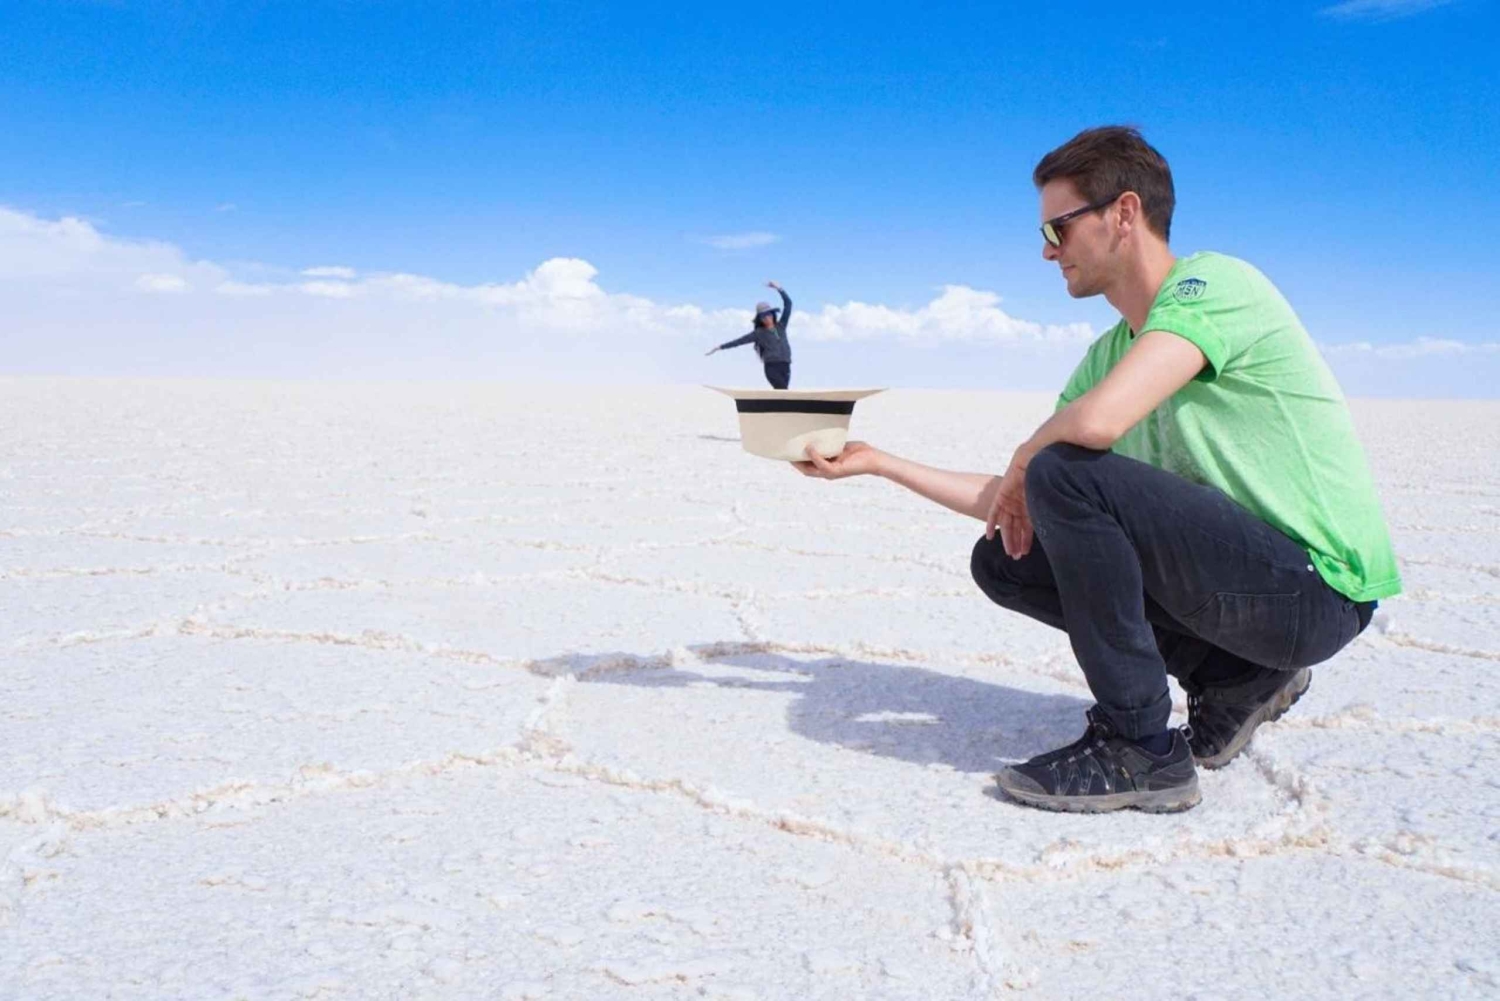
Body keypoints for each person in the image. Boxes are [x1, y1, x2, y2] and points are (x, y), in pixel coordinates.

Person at [794, 126, 1400, 814]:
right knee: (1005, 559)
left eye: (1059, 227)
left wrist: (1034, 456)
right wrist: (878, 462)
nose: (1047, 251)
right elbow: (1020, 496)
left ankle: (1141, 746)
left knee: (1063, 470)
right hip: (1248, 593)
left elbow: (1083, 438)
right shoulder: (1109, 356)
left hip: (1319, 593)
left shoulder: (1215, 285)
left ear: (1124, 213)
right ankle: (1238, 677)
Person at [707, 282, 794, 388]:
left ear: (772, 314)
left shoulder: (781, 326)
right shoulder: (759, 333)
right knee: (782, 390)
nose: (767, 318)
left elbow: (788, 304)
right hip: (771, 367)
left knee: (784, 393)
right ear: (760, 319)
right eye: (763, 316)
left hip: (785, 365)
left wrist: (779, 288)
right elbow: (739, 341)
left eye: (768, 314)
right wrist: (720, 347)